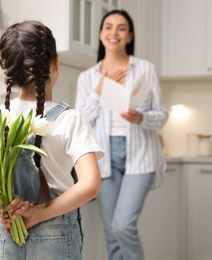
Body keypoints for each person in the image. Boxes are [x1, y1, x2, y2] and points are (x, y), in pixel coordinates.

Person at [0, 20, 103, 260]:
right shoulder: (70, 119)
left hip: (6, 231)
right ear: (55, 64)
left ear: (8, 70)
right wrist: (40, 214)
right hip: (54, 229)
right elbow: (91, 184)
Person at [75, 9, 168, 260]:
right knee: (111, 233)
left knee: (123, 225)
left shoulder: (145, 70)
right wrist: (99, 90)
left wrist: (142, 117)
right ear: (100, 34)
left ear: (130, 36)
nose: (113, 32)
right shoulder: (88, 78)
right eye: (108, 26)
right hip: (104, 157)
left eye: (121, 28)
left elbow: (162, 115)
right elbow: (80, 122)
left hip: (140, 155)